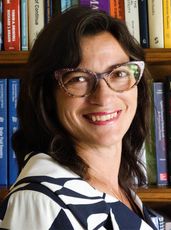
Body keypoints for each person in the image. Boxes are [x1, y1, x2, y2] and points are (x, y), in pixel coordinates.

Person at [0, 6, 156, 230]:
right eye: (79, 79)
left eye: (119, 73)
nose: (104, 97)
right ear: (48, 97)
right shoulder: (39, 203)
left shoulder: (118, 191)